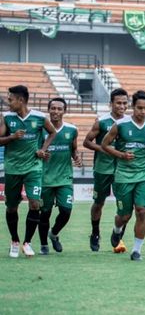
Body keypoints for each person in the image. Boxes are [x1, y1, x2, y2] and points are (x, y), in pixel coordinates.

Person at [100, 90, 145, 261]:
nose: (143, 112)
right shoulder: (120, 125)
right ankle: (117, 230)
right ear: (133, 107)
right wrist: (121, 155)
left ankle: (136, 250)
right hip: (124, 175)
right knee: (125, 215)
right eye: (140, 108)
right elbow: (105, 145)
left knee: (142, 211)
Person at [0, 85, 57, 258]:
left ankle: (27, 242)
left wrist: (43, 149)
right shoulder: (6, 118)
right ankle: (15, 240)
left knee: (35, 203)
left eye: (11, 99)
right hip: (13, 168)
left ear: (21, 100)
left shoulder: (39, 117)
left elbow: (52, 133)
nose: (8, 102)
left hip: (34, 167)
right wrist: (12, 137)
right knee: (11, 207)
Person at [83, 87, 128, 252]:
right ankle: (95, 233)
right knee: (98, 203)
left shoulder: (129, 122)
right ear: (111, 104)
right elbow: (86, 142)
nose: (121, 106)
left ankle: (118, 236)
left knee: (125, 206)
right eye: (118, 103)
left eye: (124, 103)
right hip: (103, 168)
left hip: (123, 170)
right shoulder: (102, 121)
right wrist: (104, 148)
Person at [38, 98, 81, 254]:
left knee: (65, 211)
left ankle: (54, 234)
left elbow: (74, 149)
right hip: (44, 179)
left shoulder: (72, 130)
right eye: (53, 108)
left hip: (64, 178)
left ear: (64, 111)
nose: (56, 111)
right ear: (48, 110)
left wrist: (76, 157)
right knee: (45, 214)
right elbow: (34, 150)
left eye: (59, 109)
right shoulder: (40, 130)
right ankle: (43, 245)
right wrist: (40, 154)